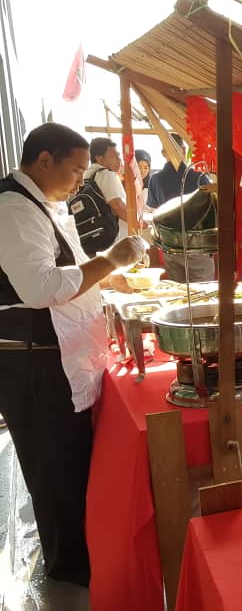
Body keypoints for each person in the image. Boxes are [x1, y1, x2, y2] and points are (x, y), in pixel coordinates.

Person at [0, 123, 146, 586]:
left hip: (53, 355)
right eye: (77, 170)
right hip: (33, 362)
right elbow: (40, 286)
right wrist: (111, 261)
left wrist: (108, 277)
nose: (81, 181)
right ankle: (70, 569)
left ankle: (85, 555)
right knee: (54, 466)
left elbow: (67, 266)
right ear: (44, 160)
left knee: (68, 460)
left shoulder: (42, 204)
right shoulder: (12, 208)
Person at [146, 133, 213, 281]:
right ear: (183, 150)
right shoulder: (199, 177)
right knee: (203, 290)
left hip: (170, 246)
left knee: (178, 290)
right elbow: (211, 210)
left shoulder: (155, 180)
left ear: (163, 153)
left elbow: (155, 213)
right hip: (196, 245)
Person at [84, 137, 129, 241]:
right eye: (114, 156)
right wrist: (139, 223)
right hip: (115, 237)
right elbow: (118, 207)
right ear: (99, 159)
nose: (119, 160)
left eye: (118, 156)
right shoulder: (107, 174)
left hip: (93, 234)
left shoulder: (86, 174)